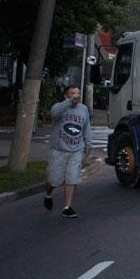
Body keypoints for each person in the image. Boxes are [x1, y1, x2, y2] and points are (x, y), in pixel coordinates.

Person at [44, 84, 91, 218]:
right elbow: (53, 113)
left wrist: (88, 144)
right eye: (73, 93)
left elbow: (86, 127)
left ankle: (67, 207)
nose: (76, 95)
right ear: (66, 95)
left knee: (72, 177)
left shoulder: (83, 109)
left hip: (76, 150)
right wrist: (69, 103)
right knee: (54, 180)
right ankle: (48, 193)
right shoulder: (59, 107)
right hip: (58, 150)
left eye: (78, 93)